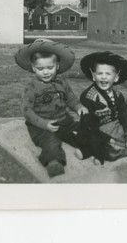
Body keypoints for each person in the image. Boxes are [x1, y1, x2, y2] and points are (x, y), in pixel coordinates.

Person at [15, 39, 88, 178]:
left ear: (57, 66)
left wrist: (79, 108)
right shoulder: (31, 87)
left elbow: (71, 99)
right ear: (33, 67)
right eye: (41, 69)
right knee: (50, 141)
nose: (46, 72)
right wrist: (44, 124)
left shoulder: (62, 83)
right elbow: (27, 111)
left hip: (63, 120)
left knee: (81, 131)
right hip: (41, 125)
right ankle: (54, 162)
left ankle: (95, 146)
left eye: (50, 68)